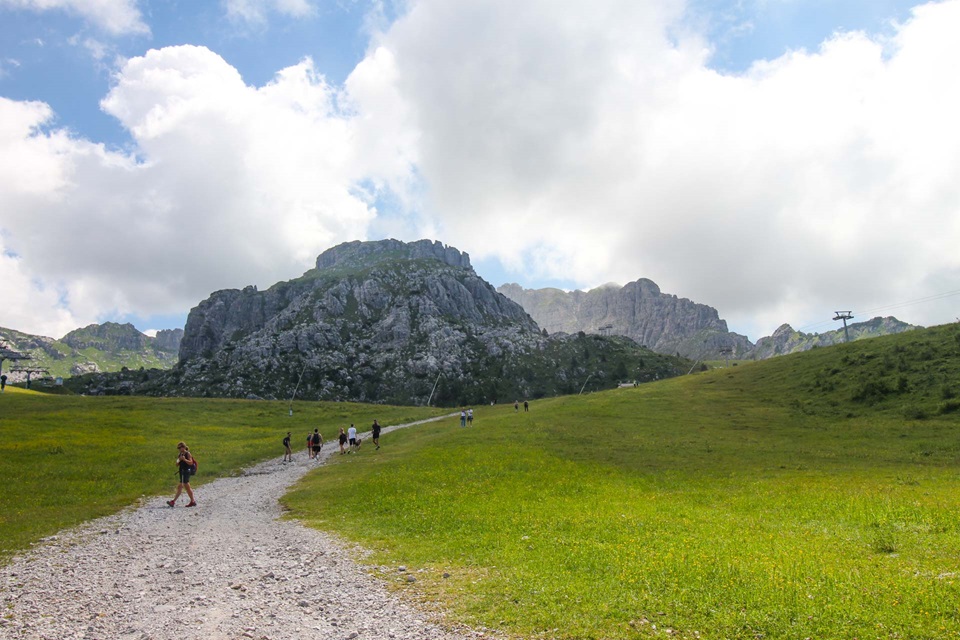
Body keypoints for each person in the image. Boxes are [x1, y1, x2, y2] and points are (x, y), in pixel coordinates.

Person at [167, 442, 197, 508]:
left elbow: (191, 463)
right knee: (186, 487)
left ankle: (173, 501)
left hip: (186, 471)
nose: (180, 449)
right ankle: (192, 501)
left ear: (184, 447)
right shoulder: (180, 454)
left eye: (181, 447)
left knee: (181, 486)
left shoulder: (188, 453)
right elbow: (177, 464)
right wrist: (179, 460)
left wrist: (184, 459)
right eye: (179, 448)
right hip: (181, 472)